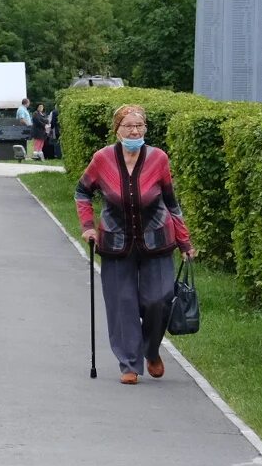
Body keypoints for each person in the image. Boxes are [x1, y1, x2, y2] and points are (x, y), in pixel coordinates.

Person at [73, 104, 194, 384]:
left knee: (160, 299)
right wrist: (88, 227)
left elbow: (172, 203)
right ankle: (129, 363)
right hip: (115, 242)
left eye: (140, 126)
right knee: (122, 302)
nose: (135, 131)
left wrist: (185, 242)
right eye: (128, 126)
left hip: (158, 240)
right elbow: (82, 192)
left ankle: (151, 351)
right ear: (117, 130)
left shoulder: (158, 158)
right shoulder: (102, 159)